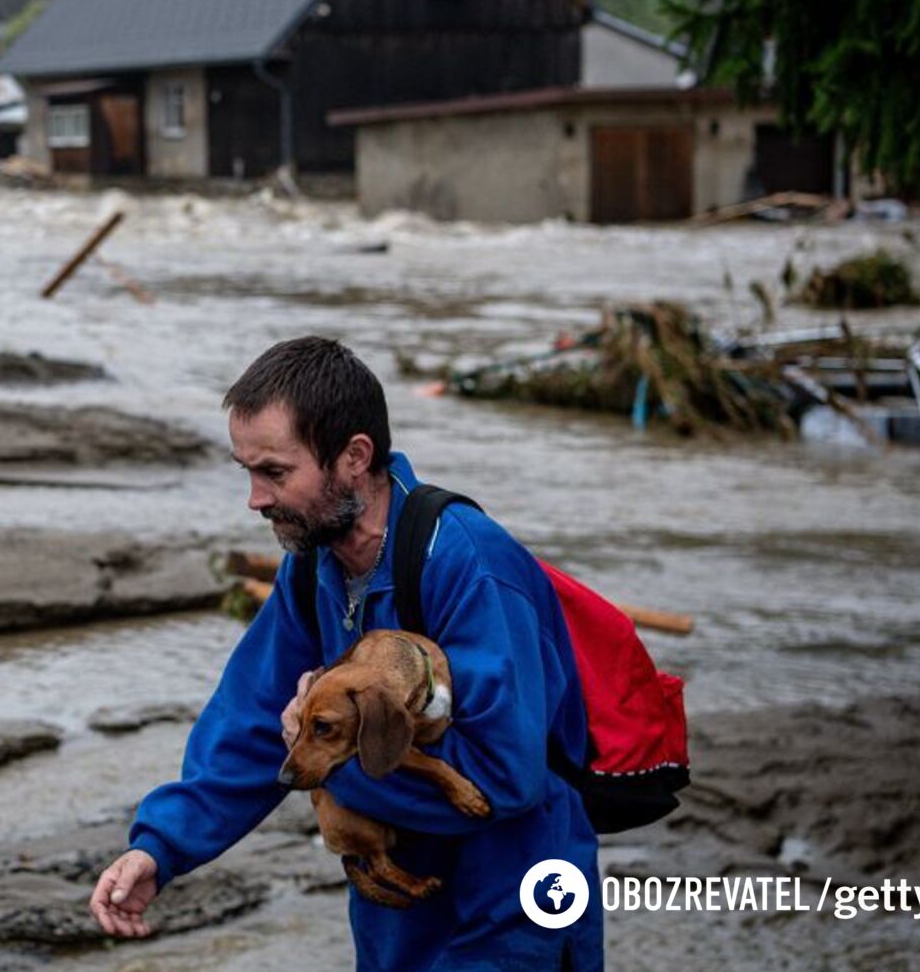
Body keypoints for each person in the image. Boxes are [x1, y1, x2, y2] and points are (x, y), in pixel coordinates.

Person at [87, 336, 603, 970]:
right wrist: (160, 849)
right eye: (247, 471)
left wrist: (332, 759)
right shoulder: (314, 568)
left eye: (275, 472)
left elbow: (505, 777)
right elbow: (252, 720)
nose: (255, 498)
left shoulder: (468, 564)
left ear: (354, 456)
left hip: (518, 903)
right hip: (398, 904)